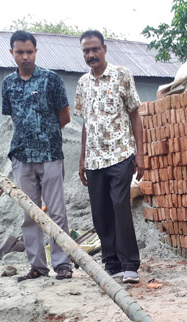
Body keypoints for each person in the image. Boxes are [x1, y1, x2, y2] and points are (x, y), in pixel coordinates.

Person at [3, 30, 73, 282]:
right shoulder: (8, 84)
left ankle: (62, 264)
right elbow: (14, 117)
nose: (25, 57)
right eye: (19, 52)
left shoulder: (51, 80)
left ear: (36, 52)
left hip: (51, 153)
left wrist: (45, 134)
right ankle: (37, 266)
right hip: (21, 156)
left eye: (29, 52)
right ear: (11, 53)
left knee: (56, 212)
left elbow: (64, 117)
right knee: (29, 214)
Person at [75, 30, 144, 284]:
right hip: (94, 160)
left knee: (119, 205)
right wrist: (82, 159)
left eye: (95, 49)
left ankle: (130, 264)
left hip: (121, 154)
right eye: (86, 51)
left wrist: (141, 153)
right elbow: (86, 123)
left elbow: (135, 114)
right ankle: (111, 263)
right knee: (100, 211)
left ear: (104, 49)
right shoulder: (82, 83)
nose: (91, 54)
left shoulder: (122, 75)